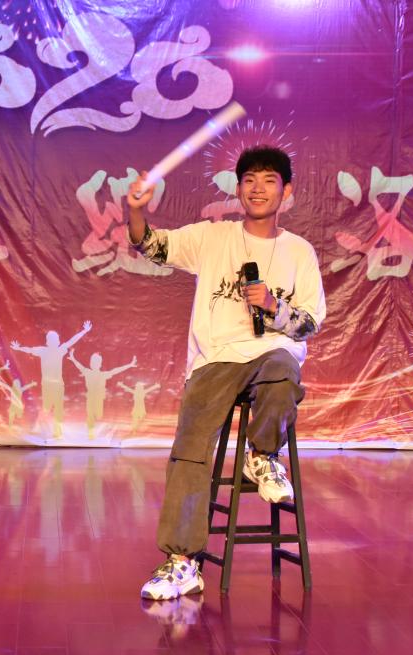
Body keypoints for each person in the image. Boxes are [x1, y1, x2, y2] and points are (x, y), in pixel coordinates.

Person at [128, 146, 325, 600]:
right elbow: (151, 245)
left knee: (283, 373)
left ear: (287, 192)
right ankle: (183, 562)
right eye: (249, 180)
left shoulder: (299, 251)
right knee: (191, 446)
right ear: (238, 190)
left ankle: (262, 454)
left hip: (271, 351)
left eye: (269, 180)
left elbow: (309, 323)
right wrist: (135, 212)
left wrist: (273, 306)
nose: (258, 188)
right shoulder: (212, 237)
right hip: (216, 358)